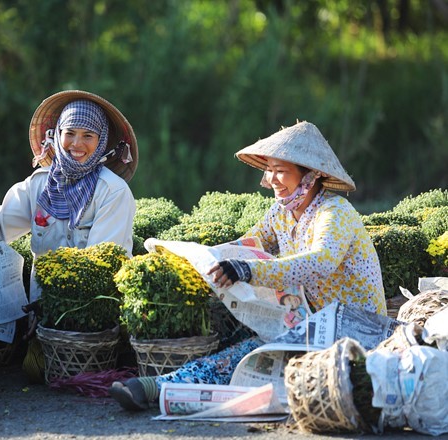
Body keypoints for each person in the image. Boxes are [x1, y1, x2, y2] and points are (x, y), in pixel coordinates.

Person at [109, 120, 387, 411]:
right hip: (306, 315)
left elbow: (321, 261)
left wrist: (249, 269)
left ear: (310, 177)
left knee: (252, 351)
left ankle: (156, 389)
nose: (272, 179)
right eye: (270, 170)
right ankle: (163, 384)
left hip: (351, 329)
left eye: (281, 171)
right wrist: (201, 259)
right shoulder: (280, 212)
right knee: (230, 334)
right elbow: (249, 244)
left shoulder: (335, 211)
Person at [0, 90, 138, 380]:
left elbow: (100, 264)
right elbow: (4, 223)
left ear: (102, 140)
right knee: (36, 375)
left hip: (88, 319)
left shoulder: (113, 192)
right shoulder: (40, 184)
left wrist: (56, 303)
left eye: (88, 136)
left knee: (70, 378)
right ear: (56, 136)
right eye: (70, 133)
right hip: (40, 321)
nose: (77, 144)